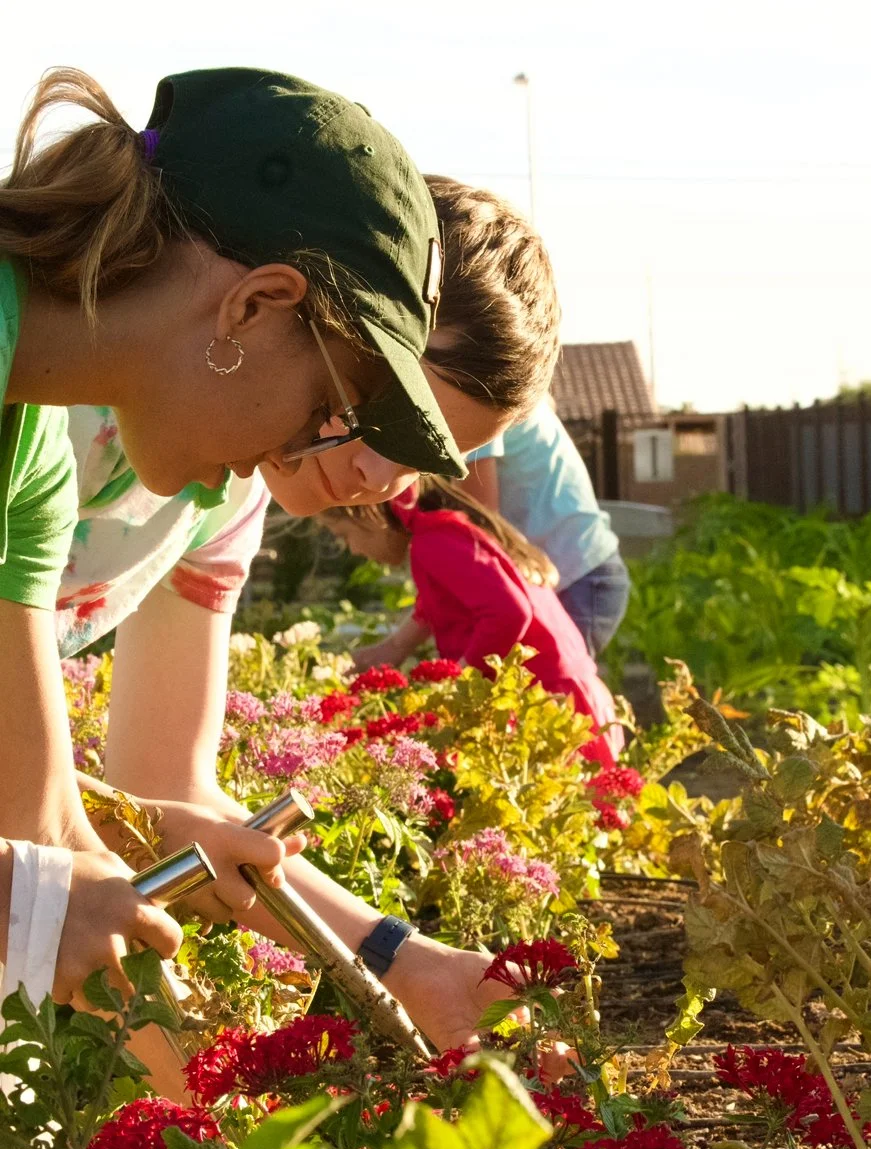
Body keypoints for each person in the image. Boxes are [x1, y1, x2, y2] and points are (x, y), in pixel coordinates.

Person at [51, 176, 563, 1064]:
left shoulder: (224, 493)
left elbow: (168, 778)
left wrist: (407, 959)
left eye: (432, 461)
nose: (386, 484)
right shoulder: (68, 397)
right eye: (396, 419)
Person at [0, 63, 471, 1027]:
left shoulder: (31, 452)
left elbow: (36, 823)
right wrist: (25, 890)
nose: (288, 460)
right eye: (328, 407)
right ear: (252, 305)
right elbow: (28, 875)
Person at [324, 479, 624, 765]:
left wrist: (462, 688)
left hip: (550, 710)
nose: (352, 549)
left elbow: (509, 613)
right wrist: (390, 649)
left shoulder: (432, 542)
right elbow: (443, 602)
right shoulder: (447, 529)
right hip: (569, 700)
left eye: (342, 535)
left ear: (369, 511)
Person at [463, 402, 632, 658]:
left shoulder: (477, 400)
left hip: (577, 579)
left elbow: (480, 528)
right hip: (580, 574)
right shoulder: (505, 383)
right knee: (561, 690)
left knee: (559, 688)